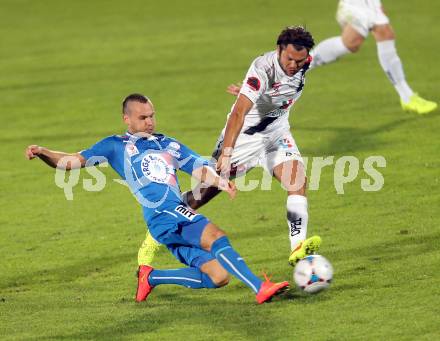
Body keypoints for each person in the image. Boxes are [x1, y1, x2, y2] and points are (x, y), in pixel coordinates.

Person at [24, 94, 289, 304]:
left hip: (171, 217)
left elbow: (197, 167)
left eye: (152, 116)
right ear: (126, 119)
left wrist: (221, 181)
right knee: (216, 237)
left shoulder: (168, 144)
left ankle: (151, 277)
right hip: (163, 213)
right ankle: (259, 287)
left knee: (218, 277)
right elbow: (69, 162)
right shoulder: (114, 146)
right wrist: (43, 152)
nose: (149, 122)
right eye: (142, 117)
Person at [138, 26, 322, 269]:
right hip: (244, 138)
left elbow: (283, 87)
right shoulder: (263, 68)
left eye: (299, 61)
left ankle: (297, 248)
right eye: (289, 59)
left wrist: (259, 96)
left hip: (276, 133)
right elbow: (238, 113)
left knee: (297, 181)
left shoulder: (305, 61)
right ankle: (154, 234)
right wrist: (227, 153)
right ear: (279, 49)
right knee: (201, 195)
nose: (294, 65)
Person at [310, 0, 437, 114]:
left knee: (354, 42)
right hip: (355, 4)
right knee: (371, 35)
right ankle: (300, 64)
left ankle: (407, 97)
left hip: (369, 3)